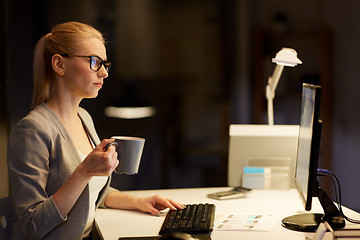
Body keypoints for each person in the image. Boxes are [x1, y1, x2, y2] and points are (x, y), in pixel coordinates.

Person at [7, 21, 184, 240]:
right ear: (59, 65)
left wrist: (140, 202)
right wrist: (84, 171)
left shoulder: (84, 117)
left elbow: (93, 193)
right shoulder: (32, 130)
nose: (104, 73)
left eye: (105, 64)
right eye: (94, 62)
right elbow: (33, 226)